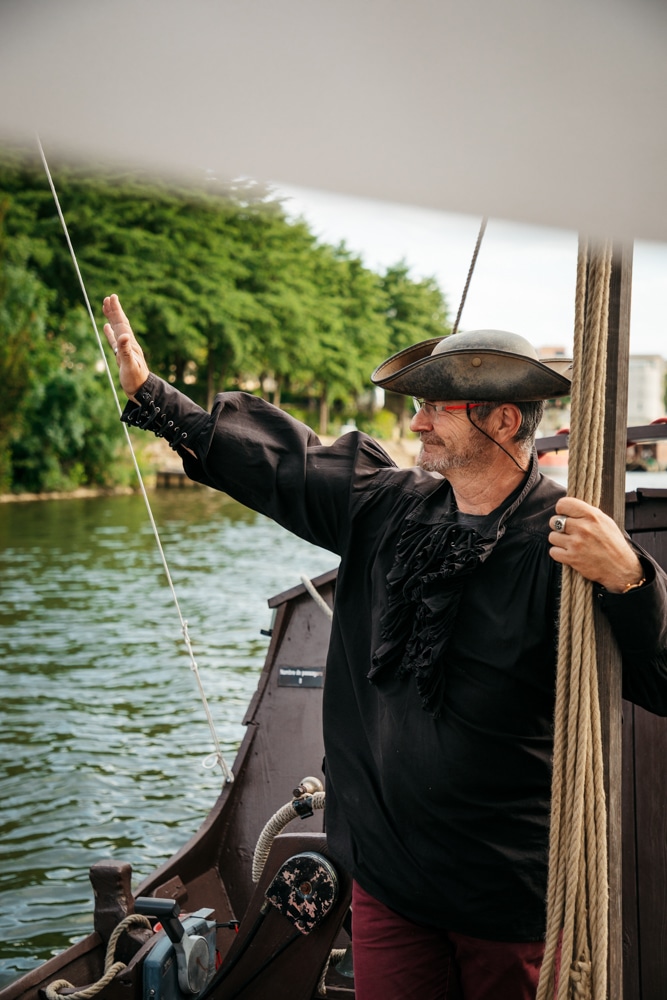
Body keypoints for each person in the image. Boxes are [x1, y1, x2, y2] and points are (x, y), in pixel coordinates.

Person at [103, 294, 667, 1000]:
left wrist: (631, 579)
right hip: (389, 882)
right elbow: (283, 463)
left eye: (436, 405)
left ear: (500, 419)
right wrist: (156, 399)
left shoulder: (569, 542)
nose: (416, 420)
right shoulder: (387, 505)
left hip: (507, 896)